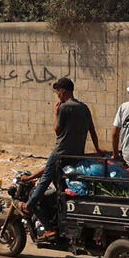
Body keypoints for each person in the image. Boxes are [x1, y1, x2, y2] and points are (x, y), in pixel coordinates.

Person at [26, 77, 102, 239]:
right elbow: (92, 130)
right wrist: (97, 149)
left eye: (58, 92)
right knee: (60, 183)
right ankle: (59, 217)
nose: (57, 96)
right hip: (75, 155)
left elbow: (57, 130)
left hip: (60, 152)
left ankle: (29, 206)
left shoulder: (65, 108)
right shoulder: (84, 107)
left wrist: (56, 112)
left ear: (64, 91)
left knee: (45, 179)